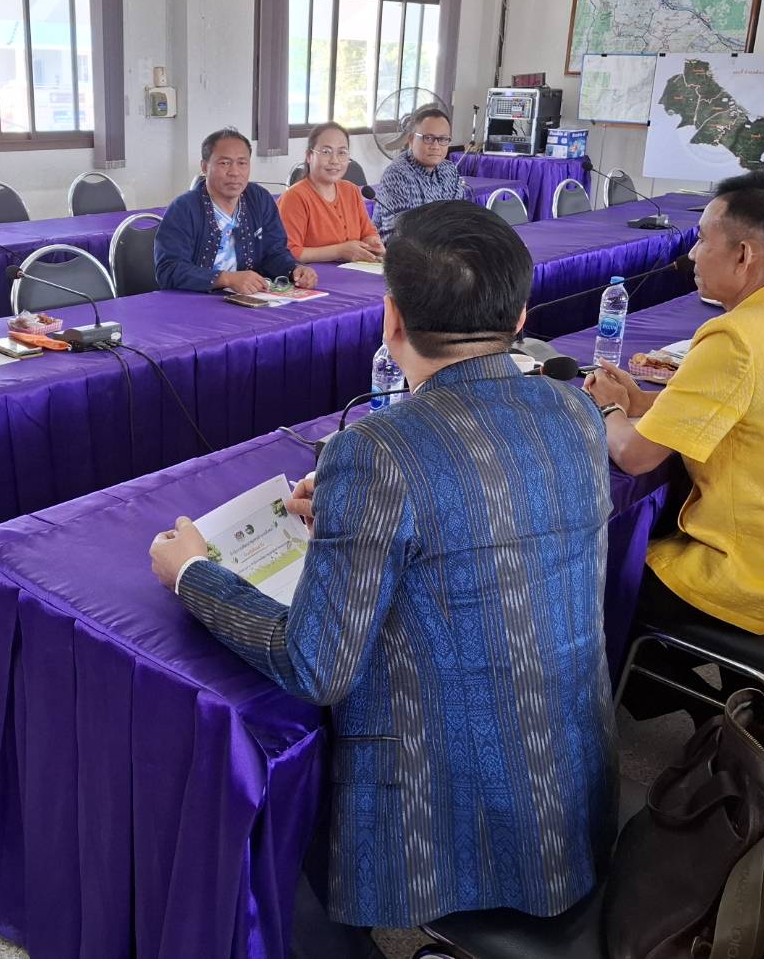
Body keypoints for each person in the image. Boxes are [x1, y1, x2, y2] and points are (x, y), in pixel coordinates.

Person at [150, 201, 617, 950]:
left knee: (264, 818)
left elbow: (314, 666)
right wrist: (345, 510)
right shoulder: (574, 409)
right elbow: (482, 513)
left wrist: (191, 575)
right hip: (571, 789)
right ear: (521, 312)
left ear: (389, 319)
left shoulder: (377, 451)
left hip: (460, 816)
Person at [585, 170, 764, 637]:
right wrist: (641, 399)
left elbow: (635, 457)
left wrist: (609, 408)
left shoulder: (734, 337)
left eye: (701, 240)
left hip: (759, 578)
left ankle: (702, 705)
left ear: (743, 255)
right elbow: (748, 405)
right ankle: (741, 706)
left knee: (597, 581)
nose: (692, 254)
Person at [155, 127, 319, 293]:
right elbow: (169, 269)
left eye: (242, 163)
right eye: (224, 163)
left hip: (249, 299)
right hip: (196, 302)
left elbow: (274, 253)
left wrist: (294, 269)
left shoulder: (259, 199)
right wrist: (225, 278)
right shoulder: (184, 208)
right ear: (205, 167)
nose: (234, 172)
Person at [278, 122, 385, 264]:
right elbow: (289, 252)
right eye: (326, 152)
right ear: (309, 156)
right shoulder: (294, 197)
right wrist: (340, 251)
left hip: (354, 272)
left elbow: (367, 232)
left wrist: (372, 242)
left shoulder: (351, 190)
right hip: (312, 278)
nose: (334, 161)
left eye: (342, 152)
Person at [370, 105, 469, 242]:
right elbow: (397, 236)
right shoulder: (397, 174)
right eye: (428, 138)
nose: (435, 146)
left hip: (441, 248)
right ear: (411, 140)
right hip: (402, 255)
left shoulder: (450, 170)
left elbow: (460, 219)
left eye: (443, 139)